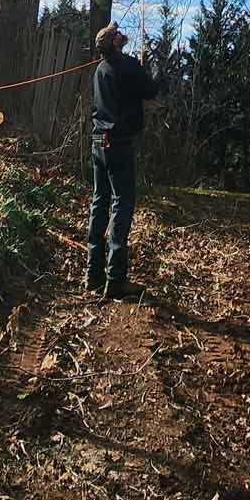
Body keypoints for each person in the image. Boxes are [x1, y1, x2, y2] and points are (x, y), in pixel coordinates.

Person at [86, 20, 157, 298]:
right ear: (115, 42)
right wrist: (151, 68)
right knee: (121, 203)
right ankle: (115, 280)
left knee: (99, 200)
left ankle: (93, 275)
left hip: (97, 140)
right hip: (117, 142)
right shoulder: (126, 65)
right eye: (117, 33)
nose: (121, 33)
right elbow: (151, 91)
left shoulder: (100, 69)